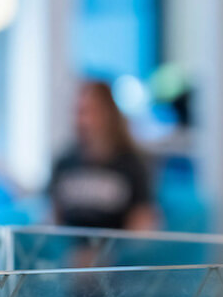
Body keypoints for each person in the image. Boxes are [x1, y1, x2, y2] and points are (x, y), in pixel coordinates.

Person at [49, 81, 156, 231]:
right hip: (72, 252)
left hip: (115, 252)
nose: (82, 121)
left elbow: (142, 222)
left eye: (89, 111)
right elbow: (53, 219)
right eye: (78, 112)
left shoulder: (132, 165)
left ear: (108, 114)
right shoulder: (64, 162)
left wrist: (110, 253)